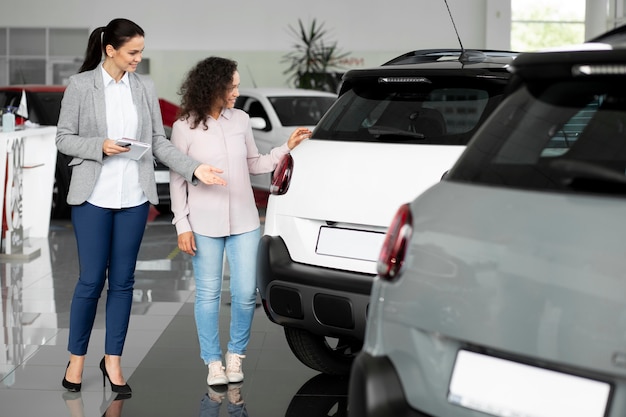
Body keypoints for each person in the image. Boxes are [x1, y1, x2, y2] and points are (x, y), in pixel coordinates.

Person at [56, 18, 225, 395]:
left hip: (133, 197)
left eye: (141, 52)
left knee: (123, 282)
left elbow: (158, 142)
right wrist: (98, 145)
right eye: (133, 52)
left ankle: (112, 361)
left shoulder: (143, 87)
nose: (138, 59)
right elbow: (64, 138)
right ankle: (76, 359)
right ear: (110, 50)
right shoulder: (81, 86)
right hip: (93, 196)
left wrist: (194, 168)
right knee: (89, 281)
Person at [169, 56, 311, 386]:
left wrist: (284, 149)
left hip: (245, 221)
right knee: (208, 295)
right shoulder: (184, 127)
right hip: (203, 224)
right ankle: (212, 362)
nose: (236, 91)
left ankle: (236, 355)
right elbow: (178, 179)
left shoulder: (241, 120)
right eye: (231, 86)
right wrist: (181, 225)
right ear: (213, 87)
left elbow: (253, 163)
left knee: (247, 292)